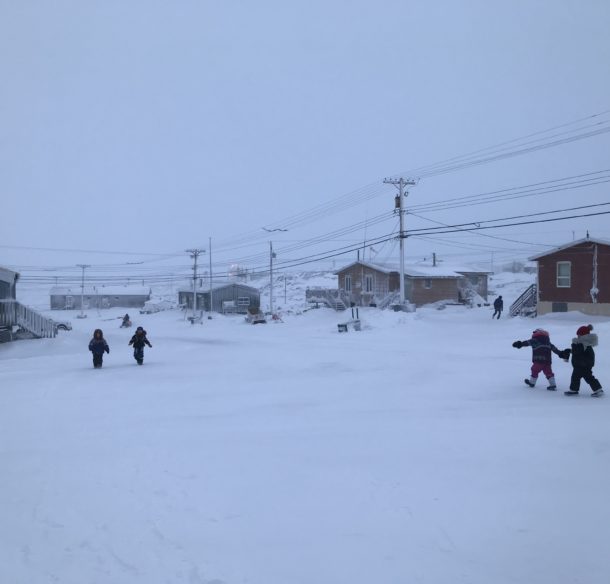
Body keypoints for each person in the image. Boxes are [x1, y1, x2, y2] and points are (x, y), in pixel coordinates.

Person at [564, 324, 603, 397]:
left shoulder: (583, 343)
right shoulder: (584, 343)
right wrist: (570, 350)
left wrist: (573, 345)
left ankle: (598, 390)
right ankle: (574, 390)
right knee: (580, 377)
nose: (577, 336)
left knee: (585, 377)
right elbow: (578, 352)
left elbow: (577, 351)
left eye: (579, 335)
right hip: (582, 364)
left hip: (582, 365)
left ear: (583, 335)